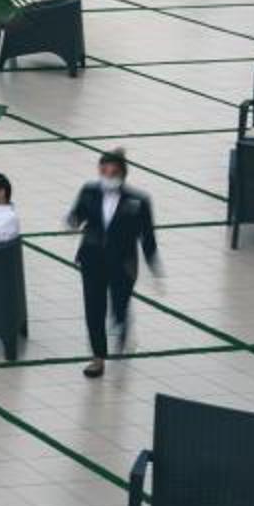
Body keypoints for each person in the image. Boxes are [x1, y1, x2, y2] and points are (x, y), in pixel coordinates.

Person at [65, 150, 159, 378]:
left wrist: (153, 266)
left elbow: (147, 236)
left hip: (123, 263)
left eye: (113, 172)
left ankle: (122, 324)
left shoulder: (138, 201)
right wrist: (72, 221)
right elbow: (77, 214)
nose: (108, 176)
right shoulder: (89, 191)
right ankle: (97, 358)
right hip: (92, 259)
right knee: (94, 308)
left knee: (119, 304)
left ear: (123, 174)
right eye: (104, 171)